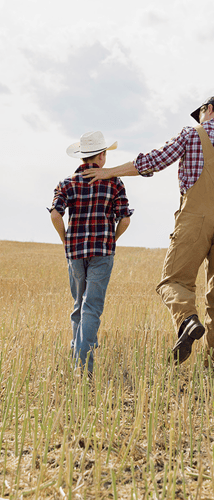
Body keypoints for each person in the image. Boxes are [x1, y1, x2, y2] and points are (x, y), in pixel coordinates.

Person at [83, 96, 214, 366]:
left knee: (172, 282)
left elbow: (151, 162)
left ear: (208, 110)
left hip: (194, 218)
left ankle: (187, 320)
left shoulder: (191, 135)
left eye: (201, 114)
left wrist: (109, 172)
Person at [49, 131, 133, 374]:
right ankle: (83, 366)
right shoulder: (114, 182)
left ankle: (78, 354)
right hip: (102, 251)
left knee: (79, 306)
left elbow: (56, 214)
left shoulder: (67, 183)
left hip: (75, 252)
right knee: (92, 307)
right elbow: (125, 220)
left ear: (83, 157)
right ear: (103, 156)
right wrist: (112, 240)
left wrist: (65, 239)